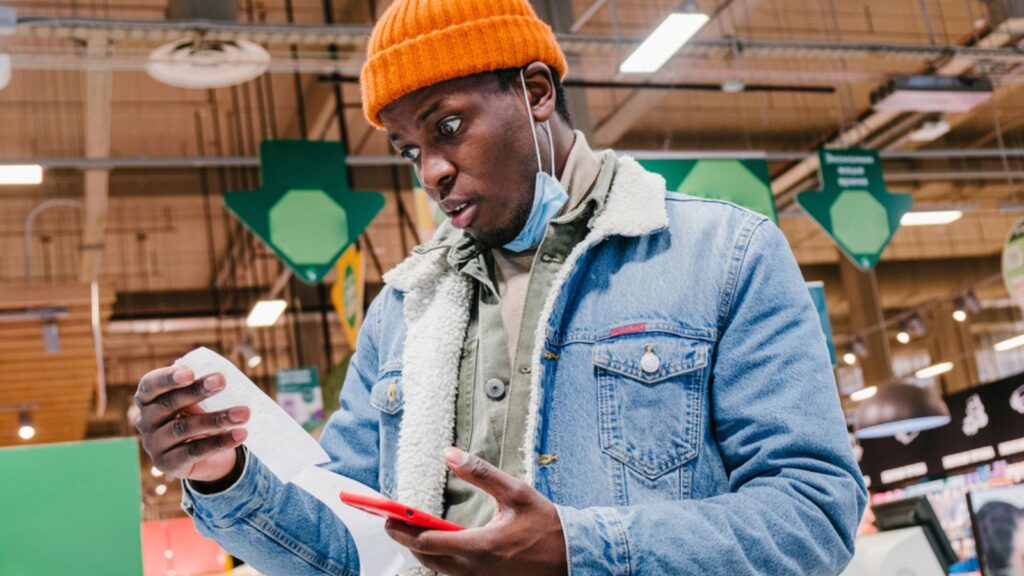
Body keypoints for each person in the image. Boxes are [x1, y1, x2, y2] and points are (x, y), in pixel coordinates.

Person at [134, 0, 866, 573]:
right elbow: (349, 549)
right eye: (410, 152)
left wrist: (579, 550)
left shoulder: (721, 256)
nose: (430, 173)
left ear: (537, 91)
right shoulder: (401, 312)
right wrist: (223, 476)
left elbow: (813, 514)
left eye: (448, 126)